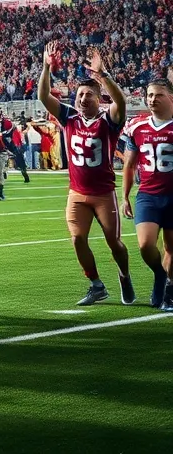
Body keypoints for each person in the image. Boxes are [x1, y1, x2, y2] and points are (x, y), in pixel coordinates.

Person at [38, 43, 133, 306]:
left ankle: (124, 275)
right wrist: (46, 67)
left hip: (103, 193)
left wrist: (103, 76)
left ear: (99, 97)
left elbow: (121, 102)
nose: (82, 99)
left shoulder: (108, 120)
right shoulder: (69, 117)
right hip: (77, 193)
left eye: (88, 95)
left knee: (114, 242)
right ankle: (96, 284)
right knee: (78, 239)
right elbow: (43, 97)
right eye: (79, 94)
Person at [120, 78, 173, 311]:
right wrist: (124, 196)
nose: (152, 99)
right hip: (148, 194)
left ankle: (168, 290)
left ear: (171, 97)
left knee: (172, 248)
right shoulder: (137, 126)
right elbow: (129, 165)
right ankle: (160, 276)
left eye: (158, 95)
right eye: (150, 95)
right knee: (145, 245)